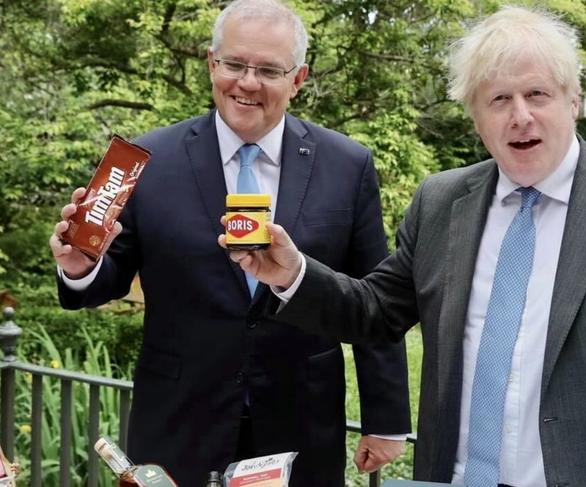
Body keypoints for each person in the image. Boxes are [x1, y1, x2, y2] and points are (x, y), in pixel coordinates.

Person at [221, 6, 586, 487]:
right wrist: (291, 273)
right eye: (499, 100)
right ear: (476, 118)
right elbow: (375, 310)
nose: (520, 116)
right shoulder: (443, 201)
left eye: (537, 94)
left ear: (571, 101)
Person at [49, 1, 411, 486]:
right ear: (211, 64)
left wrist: (385, 419)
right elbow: (103, 280)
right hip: (178, 423)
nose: (247, 82)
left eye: (268, 70)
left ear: (298, 79)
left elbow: (373, 296)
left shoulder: (347, 165)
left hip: (300, 424)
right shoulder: (147, 159)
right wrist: (80, 266)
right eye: (235, 64)